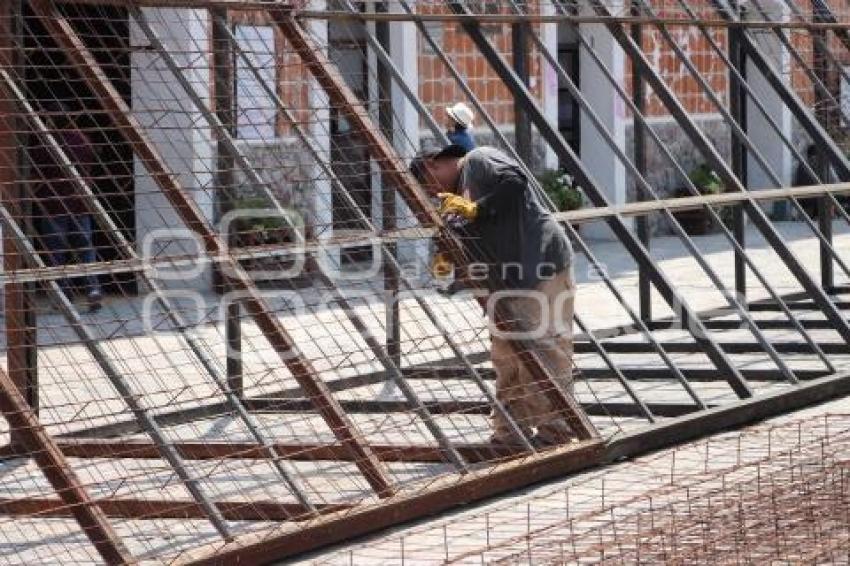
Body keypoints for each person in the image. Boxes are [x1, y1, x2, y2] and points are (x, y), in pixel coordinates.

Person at [410, 144, 576, 447]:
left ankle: (557, 429)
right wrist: (445, 255)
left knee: (545, 346)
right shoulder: (452, 205)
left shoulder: (477, 160)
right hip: (505, 282)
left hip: (540, 264)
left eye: (425, 184)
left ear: (433, 165)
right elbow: (461, 246)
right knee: (507, 356)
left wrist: (478, 209)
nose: (430, 193)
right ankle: (510, 431)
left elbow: (515, 183)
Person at [30, 103, 103, 312]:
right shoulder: (82, 140)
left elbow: (36, 172)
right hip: (79, 203)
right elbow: (89, 167)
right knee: (85, 248)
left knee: (56, 253)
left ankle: (63, 296)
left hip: (52, 204)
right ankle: (92, 288)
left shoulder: (44, 142)